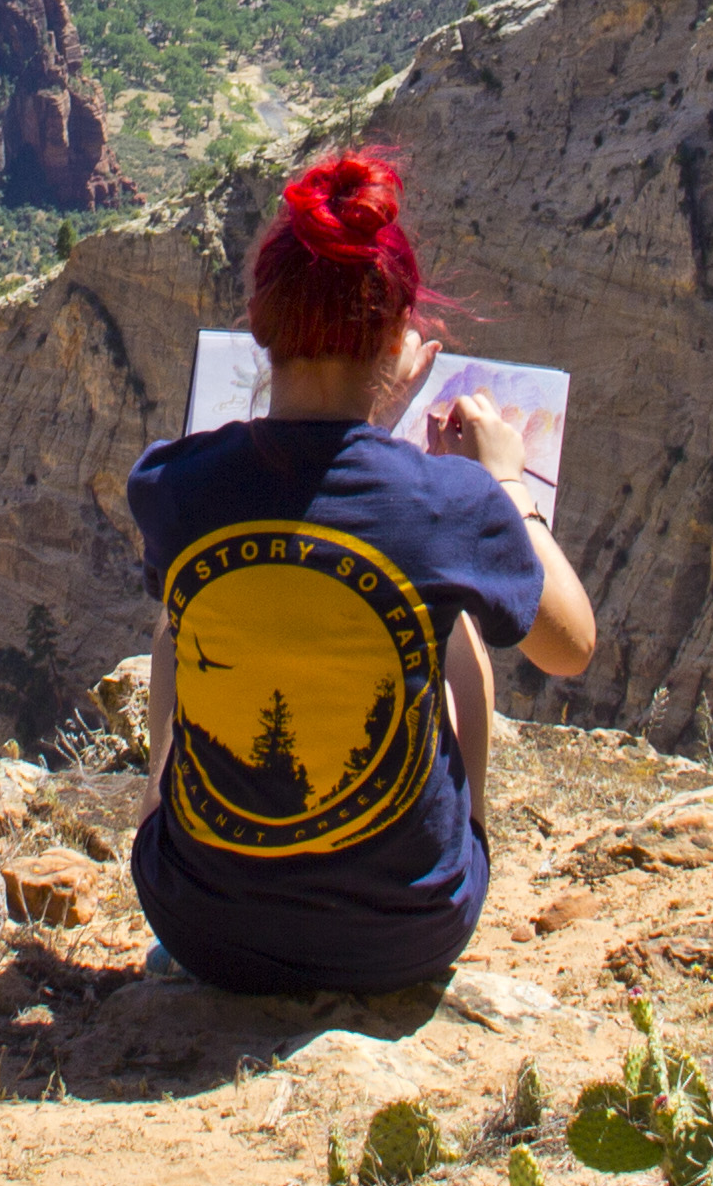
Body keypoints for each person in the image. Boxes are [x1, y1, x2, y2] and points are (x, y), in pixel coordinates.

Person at [125, 148, 598, 997]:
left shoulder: (172, 485)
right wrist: (506, 483)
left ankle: (194, 831)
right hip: (405, 938)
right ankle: (447, 847)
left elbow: (307, 493)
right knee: (451, 622)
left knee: (177, 620)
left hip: (200, 927)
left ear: (260, 330)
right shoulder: (449, 502)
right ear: (398, 338)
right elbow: (570, 647)